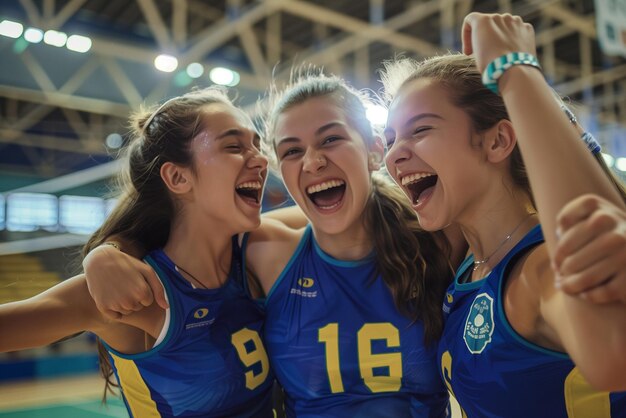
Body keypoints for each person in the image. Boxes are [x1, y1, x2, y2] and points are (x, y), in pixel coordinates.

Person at [83, 71, 461, 417]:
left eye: (331, 138)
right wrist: (108, 252)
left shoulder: (437, 240)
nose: (312, 162)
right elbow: (180, 223)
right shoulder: (265, 249)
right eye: (292, 151)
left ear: (375, 150)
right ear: (282, 169)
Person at [381, 12, 626, 417]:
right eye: (390, 140)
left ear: (496, 141)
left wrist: (515, 69)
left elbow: (612, 349)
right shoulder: (466, 267)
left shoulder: (541, 269)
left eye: (419, 130)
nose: (393, 154)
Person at [0, 87, 276, 418]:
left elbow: (335, 218)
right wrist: (105, 252)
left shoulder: (257, 251)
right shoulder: (134, 293)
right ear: (177, 176)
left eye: (257, 145)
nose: (261, 160)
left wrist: (108, 248)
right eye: (234, 146)